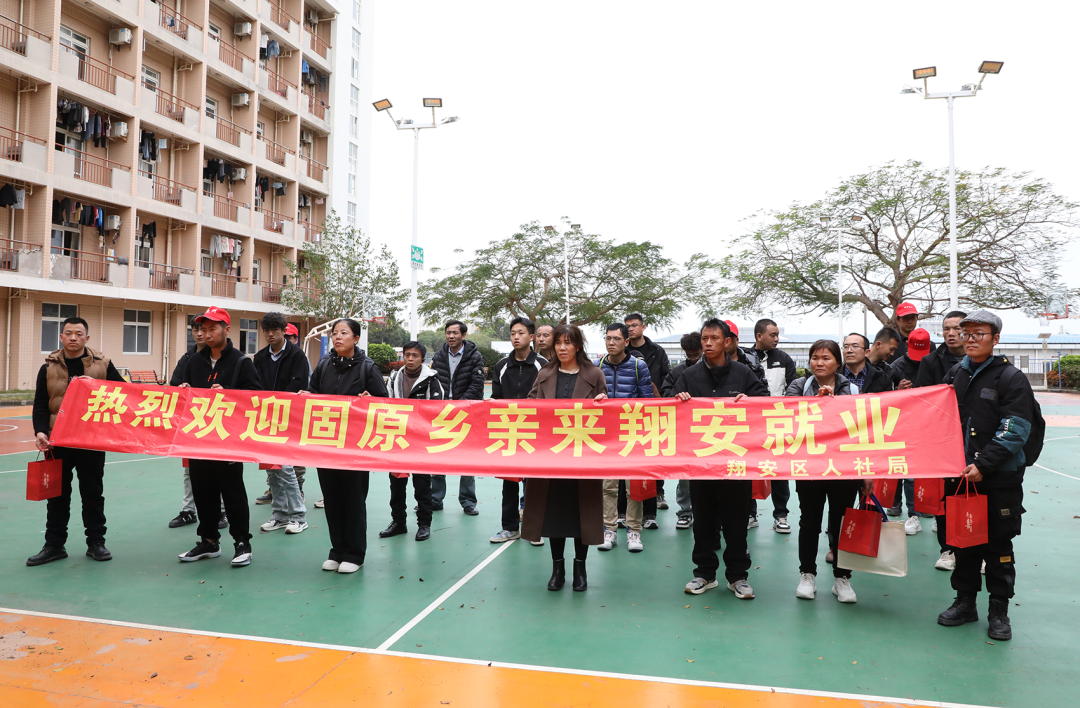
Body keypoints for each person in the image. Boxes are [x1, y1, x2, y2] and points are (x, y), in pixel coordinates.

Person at [937, 310, 1036, 641]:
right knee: (963, 542)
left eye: (978, 334)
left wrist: (984, 465)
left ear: (995, 339)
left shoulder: (1010, 378)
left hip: (999, 478)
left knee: (998, 545)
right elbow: (938, 416)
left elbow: (1015, 429)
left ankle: (999, 610)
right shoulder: (956, 374)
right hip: (960, 476)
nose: (970, 340)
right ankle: (965, 602)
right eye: (966, 334)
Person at [672, 318, 768, 600]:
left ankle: (738, 577)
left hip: (735, 461)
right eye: (704, 338)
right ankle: (704, 574)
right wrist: (678, 398)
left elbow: (765, 403)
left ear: (727, 342)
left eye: (714, 338)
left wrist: (749, 401)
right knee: (703, 522)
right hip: (700, 462)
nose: (708, 343)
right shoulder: (689, 375)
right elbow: (667, 404)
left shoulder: (743, 372)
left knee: (736, 522)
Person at [27, 317, 126, 566]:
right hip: (57, 441)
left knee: (92, 494)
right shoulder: (48, 368)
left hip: (90, 441)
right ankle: (54, 545)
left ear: (87, 338)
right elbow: (40, 404)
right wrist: (41, 431)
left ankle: (96, 543)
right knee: (57, 496)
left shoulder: (103, 365)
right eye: (68, 333)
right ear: (61, 337)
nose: (73, 337)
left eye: (78, 333)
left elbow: (124, 395)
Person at [522, 324, 607, 592]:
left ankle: (580, 568)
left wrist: (604, 402)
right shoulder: (545, 373)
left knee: (583, 514)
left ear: (577, 346)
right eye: (558, 342)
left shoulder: (594, 374)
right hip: (551, 457)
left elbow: (608, 414)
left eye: (567, 343)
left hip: (583, 457)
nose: (561, 347)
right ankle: (557, 568)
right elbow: (529, 407)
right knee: (554, 514)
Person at [175, 306, 262, 567]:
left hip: (228, 440)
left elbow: (255, 398)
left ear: (227, 329)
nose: (206, 333)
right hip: (199, 438)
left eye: (213, 328)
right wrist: (183, 389)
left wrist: (228, 393)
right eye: (203, 329)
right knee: (202, 491)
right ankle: (209, 541)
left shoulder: (241, 362)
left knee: (233, 492)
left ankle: (242, 543)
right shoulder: (193, 361)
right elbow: (178, 393)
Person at [787, 339, 870, 604]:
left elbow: (862, 431)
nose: (819, 363)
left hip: (843, 468)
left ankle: (842, 578)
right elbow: (787, 417)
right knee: (809, 521)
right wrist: (816, 404)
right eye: (815, 358)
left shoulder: (852, 390)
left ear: (838, 363)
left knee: (841, 522)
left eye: (826, 358)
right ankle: (807, 575)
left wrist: (866, 472)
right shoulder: (798, 387)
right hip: (809, 467)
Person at [305, 318, 388, 573]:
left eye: (344, 333)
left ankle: (354, 554)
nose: (338, 337)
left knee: (353, 500)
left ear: (356, 338)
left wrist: (371, 399)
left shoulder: (367, 368)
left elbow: (385, 404)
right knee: (332, 500)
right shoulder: (323, 365)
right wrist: (306, 397)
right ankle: (337, 551)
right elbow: (312, 394)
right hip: (327, 445)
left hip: (355, 448)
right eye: (335, 333)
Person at [915, 310, 967, 571]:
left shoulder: (983, 360)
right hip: (943, 439)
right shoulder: (930, 361)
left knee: (976, 495)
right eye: (946, 329)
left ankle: (978, 551)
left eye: (957, 328)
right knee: (945, 497)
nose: (951, 333)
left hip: (974, 439)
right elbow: (922, 399)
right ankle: (948, 549)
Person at [488, 317, 546, 544]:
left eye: (520, 333)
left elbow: (548, 398)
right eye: (513, 333)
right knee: (509, 482)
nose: (516, 337)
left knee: (533, 482)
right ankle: (510, 527)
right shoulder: (502, 366)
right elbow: (497, 397)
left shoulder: (543, 364)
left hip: (535, 431)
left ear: (531, 337)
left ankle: (534, 528)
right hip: (510, 431)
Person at [596, 322, 653, 553]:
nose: (611, 343)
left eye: (616, 339)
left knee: (633, 488)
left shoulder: (639, 366)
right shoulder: (597, 366)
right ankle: (608, 530)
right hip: (607, 437)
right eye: (608, 338)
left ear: (626, 342)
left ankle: (634, 531)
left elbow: (648, 403)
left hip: (633, 434)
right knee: (608, 486)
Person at [252, 312, 310, 535]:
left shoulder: (297, 356)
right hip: (266, 419)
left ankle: (298, 516)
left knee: (286, 469)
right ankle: (279, 515)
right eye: (266, 330)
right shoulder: (260, 357)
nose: (270, 334)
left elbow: (300, 384)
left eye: (274, 330)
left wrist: (278, 402)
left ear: (284, 331)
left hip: (288, 419)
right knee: (272, 469)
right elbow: (255, 386)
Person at [381, 340, 443, 542]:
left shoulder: (432, 379)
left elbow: (436, 410)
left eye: (415, 355)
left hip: (420, 442)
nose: (410, 359)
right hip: (398, 439)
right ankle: (398, 522)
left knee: (422, 485)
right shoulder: (394, 378)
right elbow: (386, 403)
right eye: (407, 355)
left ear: (423, 358)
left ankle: (424, 524)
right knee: (396, 485)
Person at [168, 326, 226, 531]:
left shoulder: (229, 359)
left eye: (205, 329)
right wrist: (182, 388)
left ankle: (221, 511)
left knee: (219, 470)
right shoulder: (188, 359)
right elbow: (175, 386)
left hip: (219, 424)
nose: (201, 334)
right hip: (193, 423)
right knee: (189, 470)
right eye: (196, 330)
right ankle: (189, 510)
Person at [430, 320, 484, 515]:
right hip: (442, 414)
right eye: (448, 332)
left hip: (466, 413)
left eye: (455, 332)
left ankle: (468, 501)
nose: (451, 336)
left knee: (467, 459)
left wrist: (459, 406)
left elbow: (477, 385)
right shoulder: (439, 355)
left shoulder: (474, 356)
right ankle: (435, 499)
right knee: (437, 457)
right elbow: (432, 381)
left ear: (463, 335)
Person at [624, 313, 671, 516]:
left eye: (634, 325)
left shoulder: (657, 351)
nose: (631, 329)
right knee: (629, 452)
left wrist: (660, 398)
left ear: (643, 327)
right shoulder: (622, 350)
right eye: (627, 326)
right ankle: (626, 499)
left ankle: (658, 491)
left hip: (654, 408)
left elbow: (667, 376)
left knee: (655, 451)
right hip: (628, 411)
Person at [887, 327, 931, 531]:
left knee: (927, 469)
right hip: (902, 422)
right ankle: (904, 508)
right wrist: (897, 391)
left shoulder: (934, 362)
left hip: (928, 421)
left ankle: (927, 508)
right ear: (907, 346)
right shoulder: (896, 366)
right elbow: (885, 396)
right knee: (903, 468)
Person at [660, 332, 701, 531]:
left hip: (714, 429)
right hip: (685, 430)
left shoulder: (719, 369)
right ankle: (685, 512)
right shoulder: (678, 371)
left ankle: (714, 514)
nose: (693, 359)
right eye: (689, 355)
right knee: (686, 473)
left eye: (696, 355)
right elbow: (665, 393)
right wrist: (677, 395)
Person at [751, 318, 797, 395]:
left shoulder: (785, 359)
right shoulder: (746, 359)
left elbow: (793, 390)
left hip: (780, 403)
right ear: (759, 336)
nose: (776, 339)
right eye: (773, 335)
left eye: (777, 335)